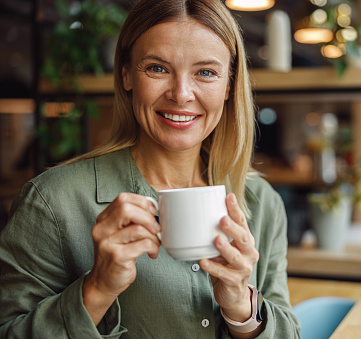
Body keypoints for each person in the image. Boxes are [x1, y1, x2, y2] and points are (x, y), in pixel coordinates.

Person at [0, 0, 301, 338]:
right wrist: (97, 290)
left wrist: (242, 307)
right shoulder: (53, 202)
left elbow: (288, 328)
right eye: (157, 68)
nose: (181, 94)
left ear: (229, 85)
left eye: (205, 72)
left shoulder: (261, 202)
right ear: (127, 74)